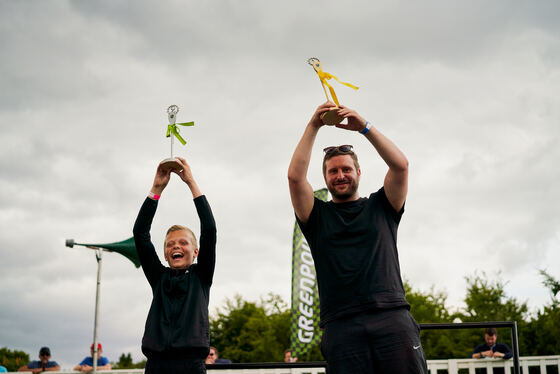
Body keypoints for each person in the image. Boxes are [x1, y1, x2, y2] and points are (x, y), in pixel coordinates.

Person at [287, 102, 428, 374]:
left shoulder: (382, 205)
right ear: (326, 178)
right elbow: (294, 177)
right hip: (342, 326)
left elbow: (401, 166)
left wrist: (364, 127)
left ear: (358, 173)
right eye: (333, 171)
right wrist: (314, 124)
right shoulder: (316, 215)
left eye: (346, 169)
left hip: (391, 318)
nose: (340, 175)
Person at [133, 157, 217, 374]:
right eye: (170, 244)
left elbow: (209, 230)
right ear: (165, 253)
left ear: (195, 251)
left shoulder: (202, 275)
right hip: (156, 365)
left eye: (183, 243)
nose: (176, 247)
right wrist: (156, 188)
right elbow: (140, 234)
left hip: (191, 365)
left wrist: (191, 183)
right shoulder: (158, 276)